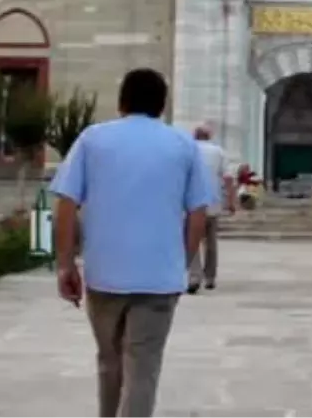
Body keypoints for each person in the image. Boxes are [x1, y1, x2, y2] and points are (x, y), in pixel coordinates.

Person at [50, 68, 214, 418]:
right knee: (143, 370)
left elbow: (65, 204)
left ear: (121, 101)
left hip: (105, 275)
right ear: (162, 105)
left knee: (109, 363)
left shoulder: (93, 139)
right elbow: (198, 213)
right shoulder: (182, 144)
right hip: (158, 280)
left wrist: (66, 263)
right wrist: (180, 261)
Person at [188, 123, 236, 294]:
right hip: (213, 202)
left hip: (191, 203)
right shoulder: (218, 152)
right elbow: (228, 178)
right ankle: (210, 277)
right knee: (210, 241)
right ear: (209, 136)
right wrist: (231, 200)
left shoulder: (188, 148)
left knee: (191, 239)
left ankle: (194, 277)